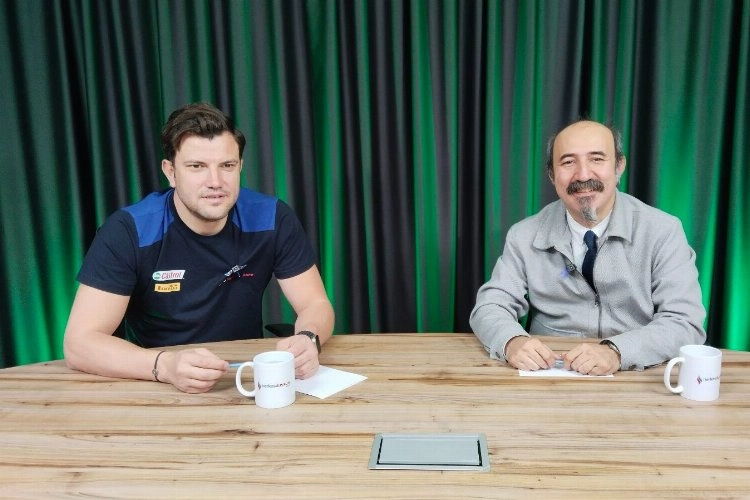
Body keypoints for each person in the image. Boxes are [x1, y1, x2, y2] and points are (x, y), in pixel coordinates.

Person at [64, 102, 334, 393]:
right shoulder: (129, 230)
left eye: (227, 166)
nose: (215, 182)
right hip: (159, 382)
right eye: (197, 167)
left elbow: (315, 304)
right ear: (170, 172)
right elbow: (79, 344)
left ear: (240, 166)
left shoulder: (271, 217)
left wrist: (308, 338)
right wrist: (165, 366)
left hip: (243, 379)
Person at [470, 119, 706, 375]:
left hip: (635, 374)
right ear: (552, 175)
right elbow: (490, 307)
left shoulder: (664, 231)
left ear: (619, 166)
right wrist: (511, 341)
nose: (583, 175)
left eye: (597, 159)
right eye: (568, 162)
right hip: (547, 375)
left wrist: (617, 351)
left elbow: (685, 322)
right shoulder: (523, 235)